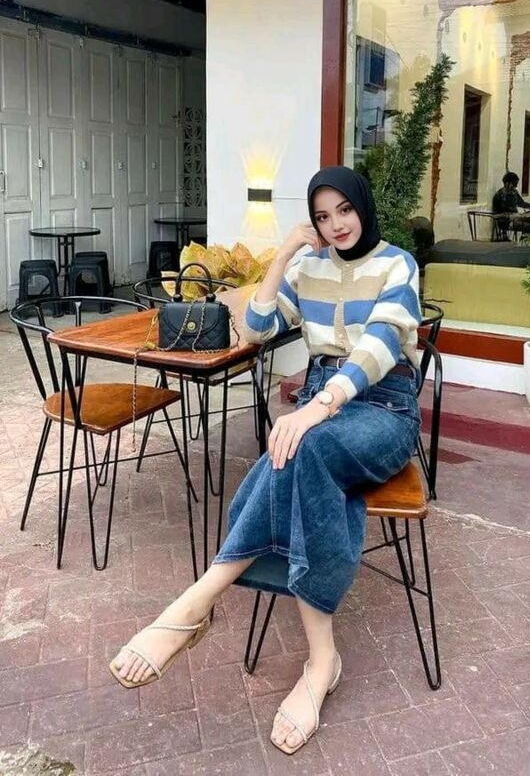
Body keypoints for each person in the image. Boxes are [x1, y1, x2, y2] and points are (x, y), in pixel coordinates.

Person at [109, 166, 422, 755]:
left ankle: (198, 600)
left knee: (300, 445)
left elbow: (382, 343)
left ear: (362, 206)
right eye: (323, 216)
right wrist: (282, 256)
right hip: (321, 406)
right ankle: (321, 661)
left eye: (344, 210)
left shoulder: (397, 264)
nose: (337, 224)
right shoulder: (310, 269)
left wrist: (318, 407)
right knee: (301, 455)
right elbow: (255, 329)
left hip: (383, 408)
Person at [492, 172, 530, 239]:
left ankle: (525, 239)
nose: (516, 186)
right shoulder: (499, 195)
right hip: (506, 222)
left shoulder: (514, 192)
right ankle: (524, 240)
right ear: (507, 183)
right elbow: (500, 214)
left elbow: (521, 203)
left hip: (516, 217)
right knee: (528, 226)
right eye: (514, 184)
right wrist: (517, 216)